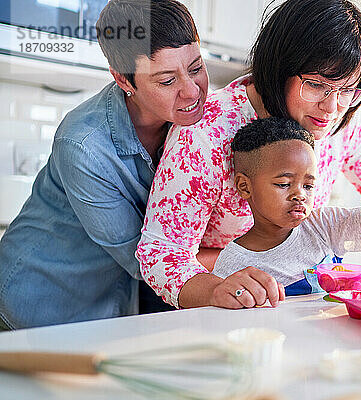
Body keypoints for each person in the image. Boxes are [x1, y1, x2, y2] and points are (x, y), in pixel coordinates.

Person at [136, 0, 361, 311]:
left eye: (347, 89)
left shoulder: (342, 120)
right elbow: (162, 251)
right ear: (279, 68)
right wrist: (218, 286)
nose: (331, 108)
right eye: (317, 85)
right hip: (215, 304)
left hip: (295, 306)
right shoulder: (205, 132)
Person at [0, 0, 209, 329]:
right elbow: (148, 261)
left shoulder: (195, 125)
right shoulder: (84, 145)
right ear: (124, 80)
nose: (191, 90)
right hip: (35, 303)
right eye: (167, 81)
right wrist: (247, 253)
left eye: (196, 68)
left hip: (110, 308)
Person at [203, 117, 361, 308]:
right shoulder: (233, 263)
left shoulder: (322, 225)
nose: (299, 194)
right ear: (245, 187)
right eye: (283, 184)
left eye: (309, 185)